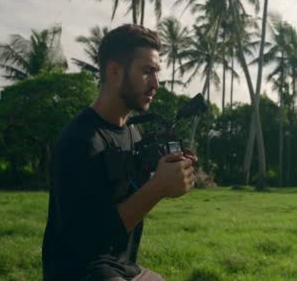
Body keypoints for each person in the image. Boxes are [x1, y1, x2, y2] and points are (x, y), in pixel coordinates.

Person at [42, 24, 197, 281]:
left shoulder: (132, 132)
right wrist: (157, 188)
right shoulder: (80, 140)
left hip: (122, 266)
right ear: (114, 71)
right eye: (147, 72)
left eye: (157, 73)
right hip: (79, 271)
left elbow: (131, 194)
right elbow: (86, 242)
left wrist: (171, 172)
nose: (156, 83)